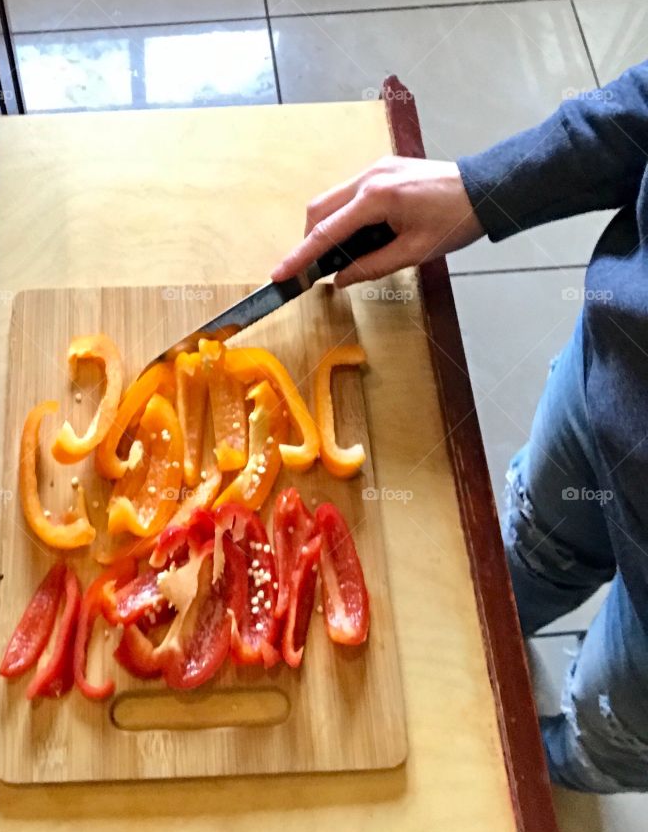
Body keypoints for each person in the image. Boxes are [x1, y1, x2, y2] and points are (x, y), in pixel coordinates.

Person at [271, 64, 648, 794]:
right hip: (615, 365)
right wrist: (487, 187)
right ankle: (495, 653)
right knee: (534, 551)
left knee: (611, 731)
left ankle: (546, 763)